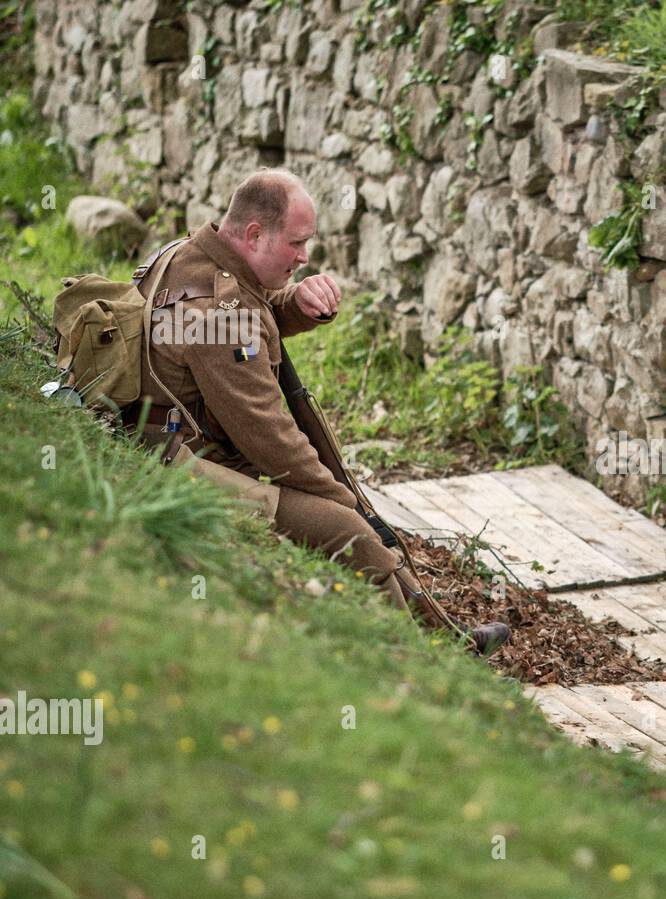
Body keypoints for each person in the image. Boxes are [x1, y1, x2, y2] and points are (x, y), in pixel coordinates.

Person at [129, 168, 510, 654]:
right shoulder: (221, 317)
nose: (305, 256)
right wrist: (341, 497)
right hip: (179, 463)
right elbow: (270, 440)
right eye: (297, 243)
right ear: (253, 234)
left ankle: (439, 635)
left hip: (166, 436)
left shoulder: (193, 257)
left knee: (348, 515)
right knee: (350, 529)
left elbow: (251, 314)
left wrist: (295, 304)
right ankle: (424, 660)